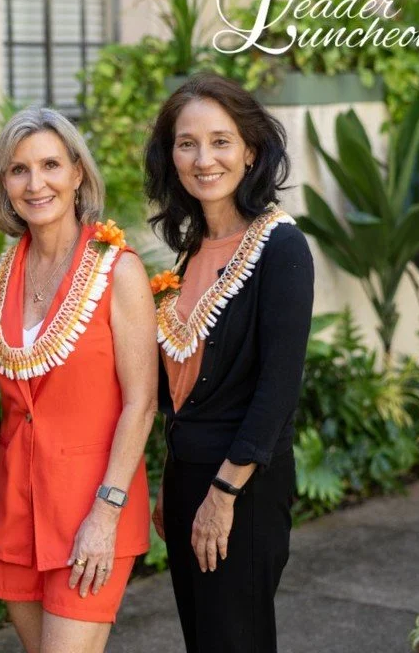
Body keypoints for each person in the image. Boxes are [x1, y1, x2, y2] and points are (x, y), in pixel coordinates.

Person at [145, 72, 314, 653]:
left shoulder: (280, 247)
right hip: (187, 479)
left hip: (242, 487)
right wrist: (171, 480)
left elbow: (278, 388)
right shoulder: (189, 251)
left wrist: (222, 494)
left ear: (251, 151)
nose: (203, 159)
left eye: (221, 141)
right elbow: (180, 389)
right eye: (186, 143)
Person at [0, 107, 157, 653]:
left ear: (78, 173)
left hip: (91, 509)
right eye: (19, 170)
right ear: (4, 184)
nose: (36, 184)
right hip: (15, 510)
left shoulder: (118, 269)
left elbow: (142, 403)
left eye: (51, 165)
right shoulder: (3, 272)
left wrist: (106, 512)